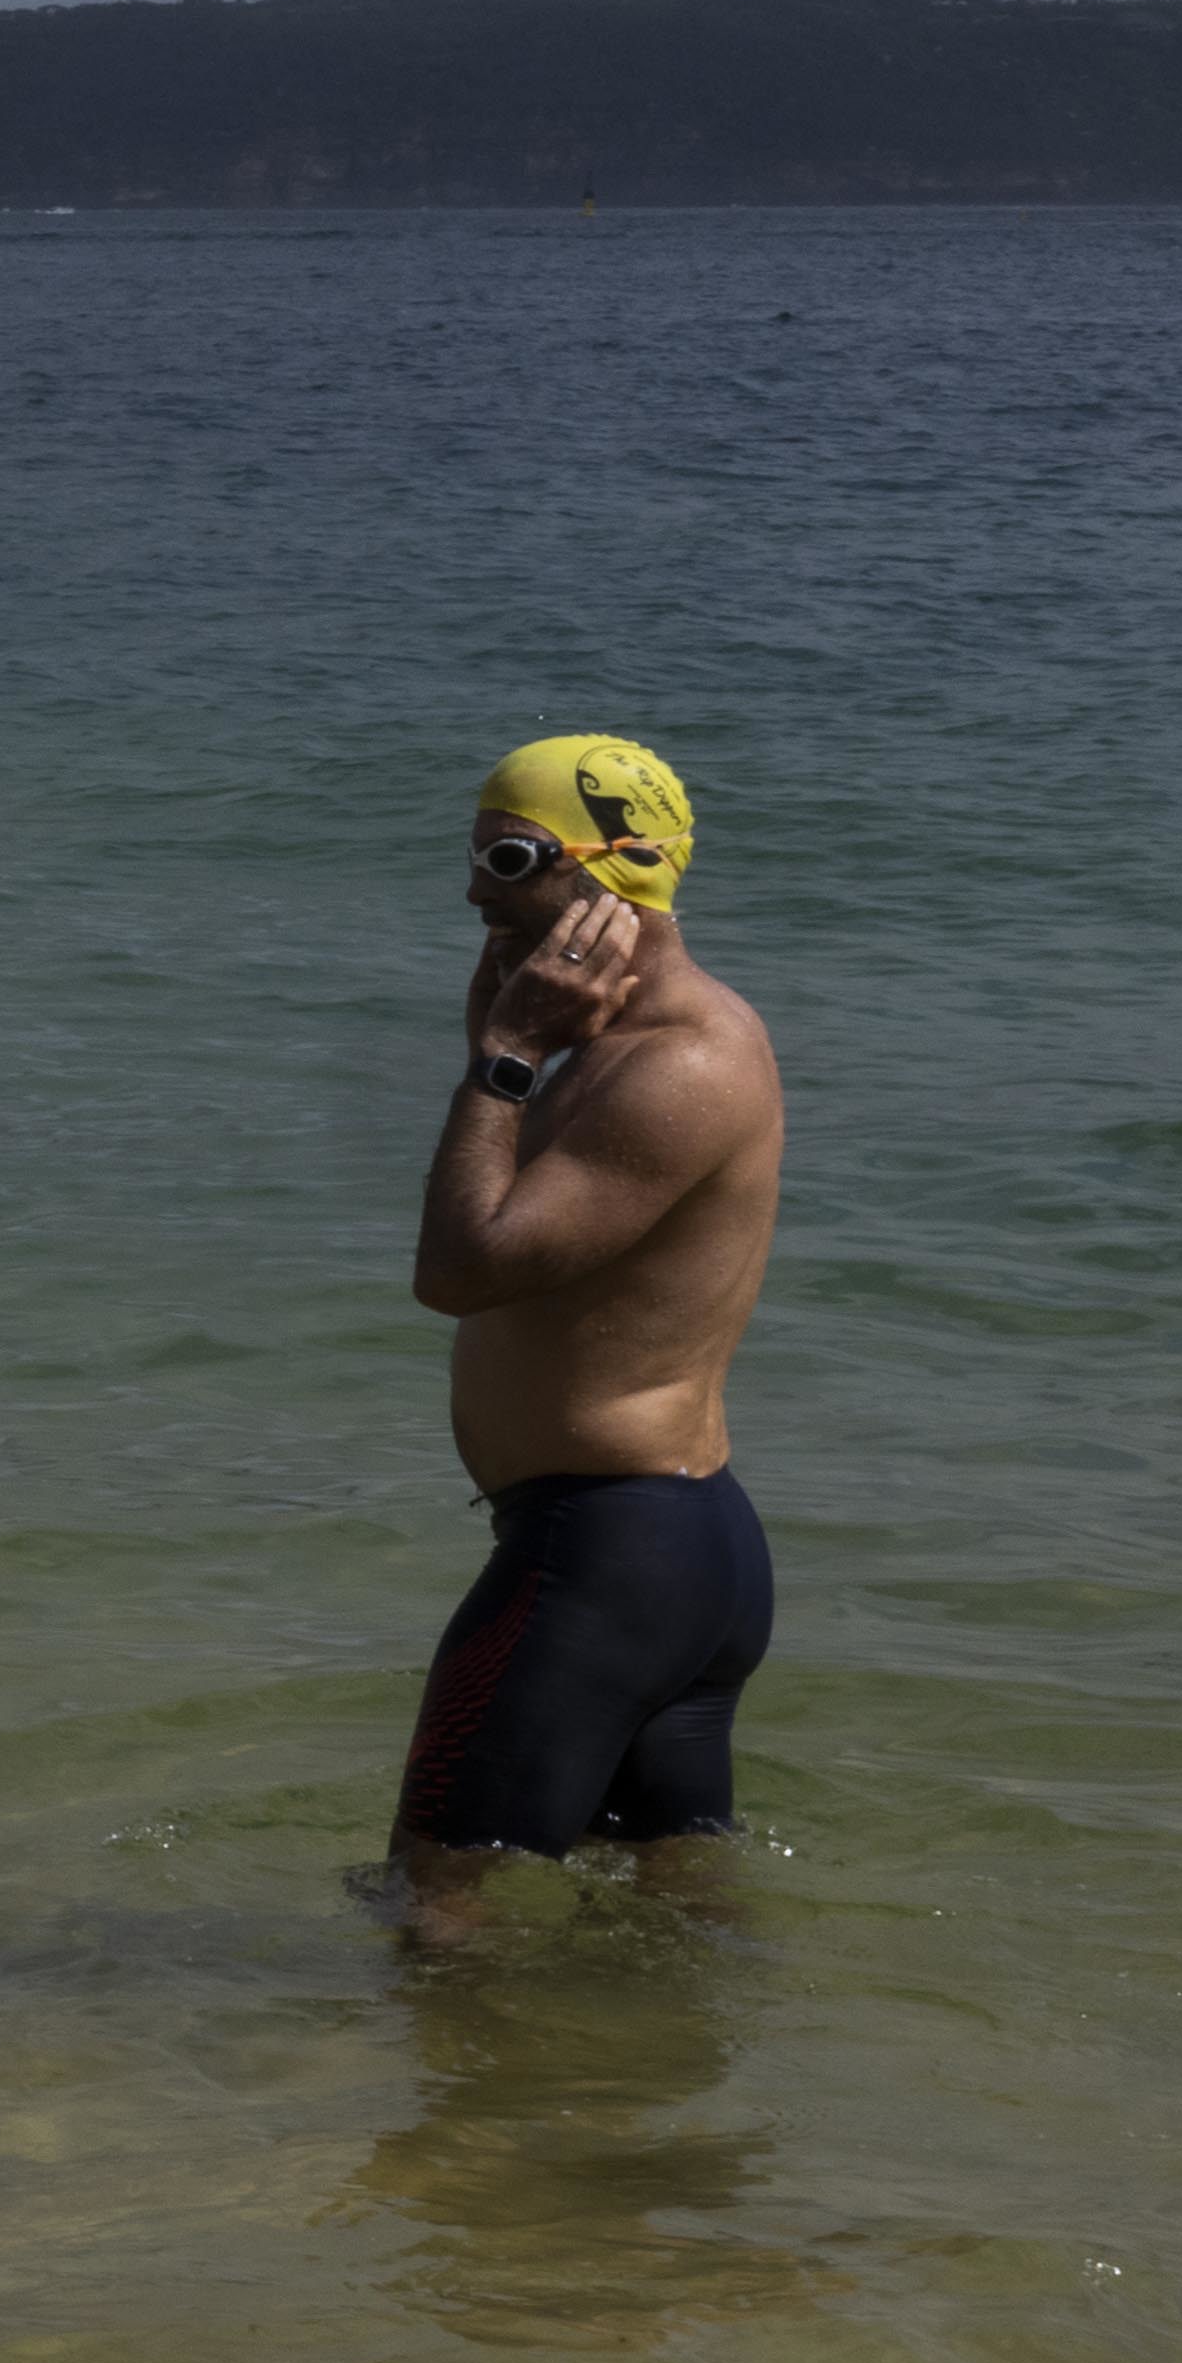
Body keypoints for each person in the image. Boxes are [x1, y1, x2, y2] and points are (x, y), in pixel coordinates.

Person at [387, 731, 787, 1935]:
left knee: (428, 1903)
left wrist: (502, 1062)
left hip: (604, 1559)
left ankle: (457, 2131)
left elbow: (462, 1271)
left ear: (615, 875)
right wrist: (503, 1042)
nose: (473, 889)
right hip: (664, 1549)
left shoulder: (678, 1065)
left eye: (510, 858)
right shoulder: (605, 1046)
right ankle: (645, 2119)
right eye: (473, 854)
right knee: (665, 1927)